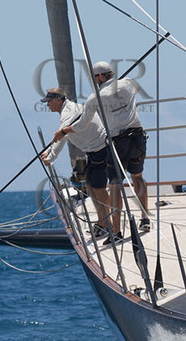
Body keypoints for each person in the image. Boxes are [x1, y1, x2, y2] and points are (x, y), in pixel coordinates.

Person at [38, 86, 120, 240]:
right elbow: (62, 134)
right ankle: (103, 223)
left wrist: (51, 157)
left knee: (98, 188)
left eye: (49, 101)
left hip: (100, 149)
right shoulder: (68, 110)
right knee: (90, 184)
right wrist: (48, 152)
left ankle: (109, 225)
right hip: (94, 151)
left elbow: (62, 135)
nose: (47, 104)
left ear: (57, 100)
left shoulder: (69, 112)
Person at [89, 60, 150, 232]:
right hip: (137, 136)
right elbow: (134, 89)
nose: (95, 80)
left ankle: (116, 231)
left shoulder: (97, 97)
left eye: (95, 77)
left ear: (101, 76)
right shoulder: (128, 83)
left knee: (115, 184)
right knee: (137, 176)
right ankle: (145, 218)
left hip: (118, 141)